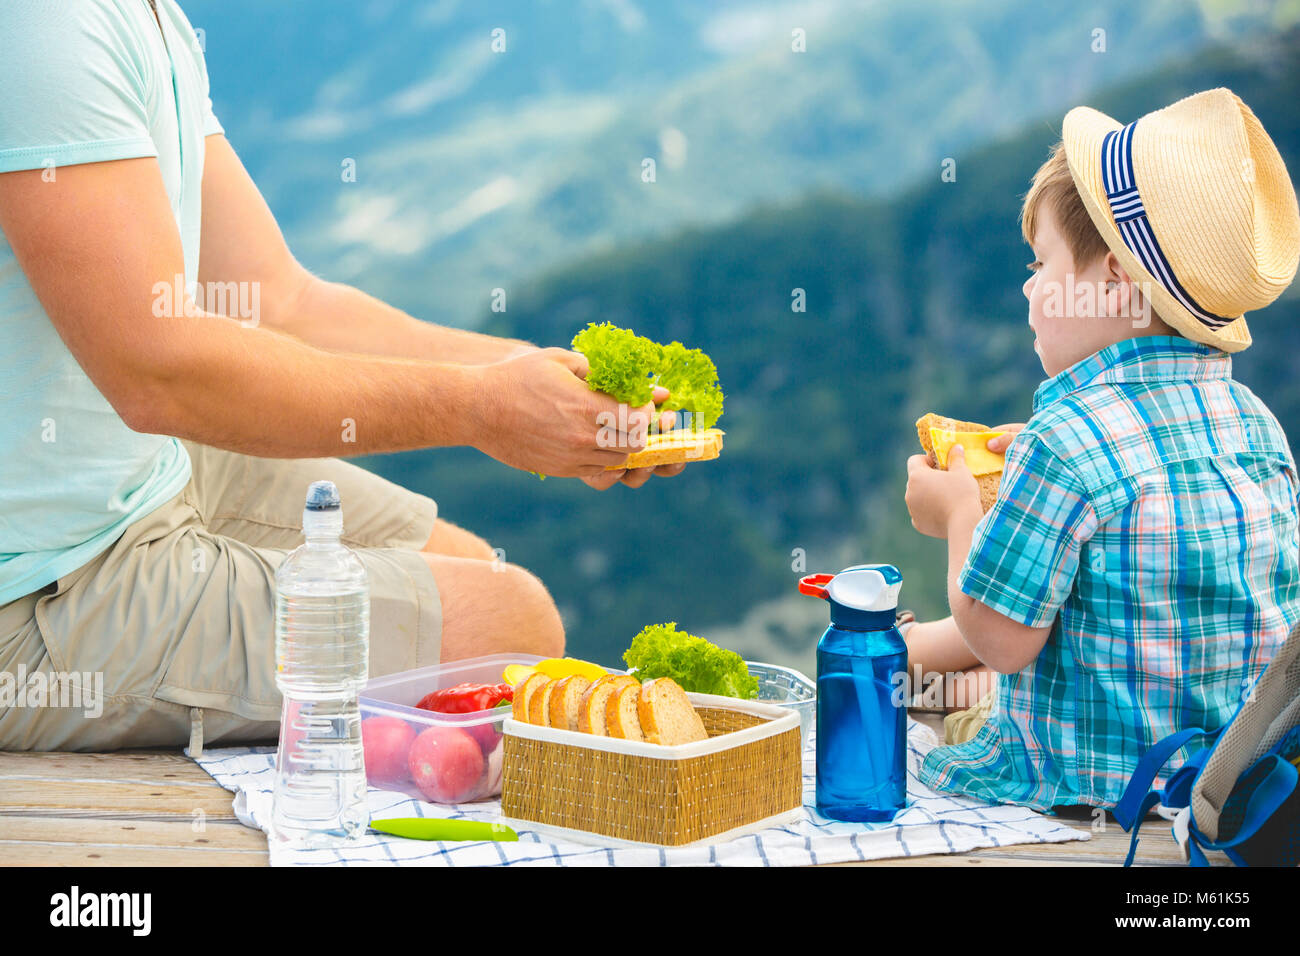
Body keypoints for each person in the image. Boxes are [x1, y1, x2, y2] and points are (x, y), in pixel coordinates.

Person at [0, 1, 686, 752]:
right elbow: (156, 371)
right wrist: (480, 410)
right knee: (509, 626)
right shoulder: (45, 27)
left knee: (465, 572)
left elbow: (277, 300)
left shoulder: (141, 15)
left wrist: (533, 375)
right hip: (38, 585)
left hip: (140, 475)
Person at [902, 88, 1300, 810]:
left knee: (945, 707)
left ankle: (885, 655)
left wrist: (959, 513)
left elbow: (1000, 637)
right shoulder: (1255, 426)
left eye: (1040, 264)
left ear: (1114, 280)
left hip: (1093, 786)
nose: (1028, 290)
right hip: (1220, 780)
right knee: (972, 680)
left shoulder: (1065, 440)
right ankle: (901, 653)